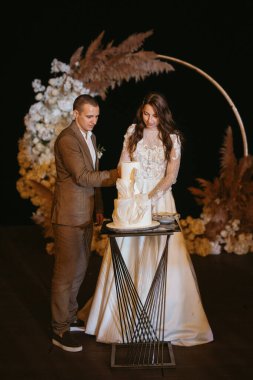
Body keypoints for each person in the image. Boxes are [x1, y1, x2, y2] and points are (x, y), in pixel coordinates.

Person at [80, 91, 213, 346]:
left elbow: (171, 176)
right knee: (128, 252)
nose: (150, 120)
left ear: (162, 114)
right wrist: (129, 193)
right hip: (134, 196)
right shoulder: (133, 132)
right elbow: (123, 165)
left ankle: (164, 318)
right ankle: (119, 316)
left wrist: (149, 199)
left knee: (162, 254)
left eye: (154, 115)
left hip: (159, 200)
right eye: (146, 114)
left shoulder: (172, 138)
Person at [50, 94, 118, 352]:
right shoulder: (68, 140)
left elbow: (91, 175)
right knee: (65, 274)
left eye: (97, 116)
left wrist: (99, 208)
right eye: (89, 116)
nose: (94, 121)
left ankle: (69, 316)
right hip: (68, 217)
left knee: (79, 270)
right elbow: (82, 176)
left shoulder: (91, 137)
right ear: (75, 114)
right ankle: (59, 330)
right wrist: (118, 175)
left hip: (86, 214)